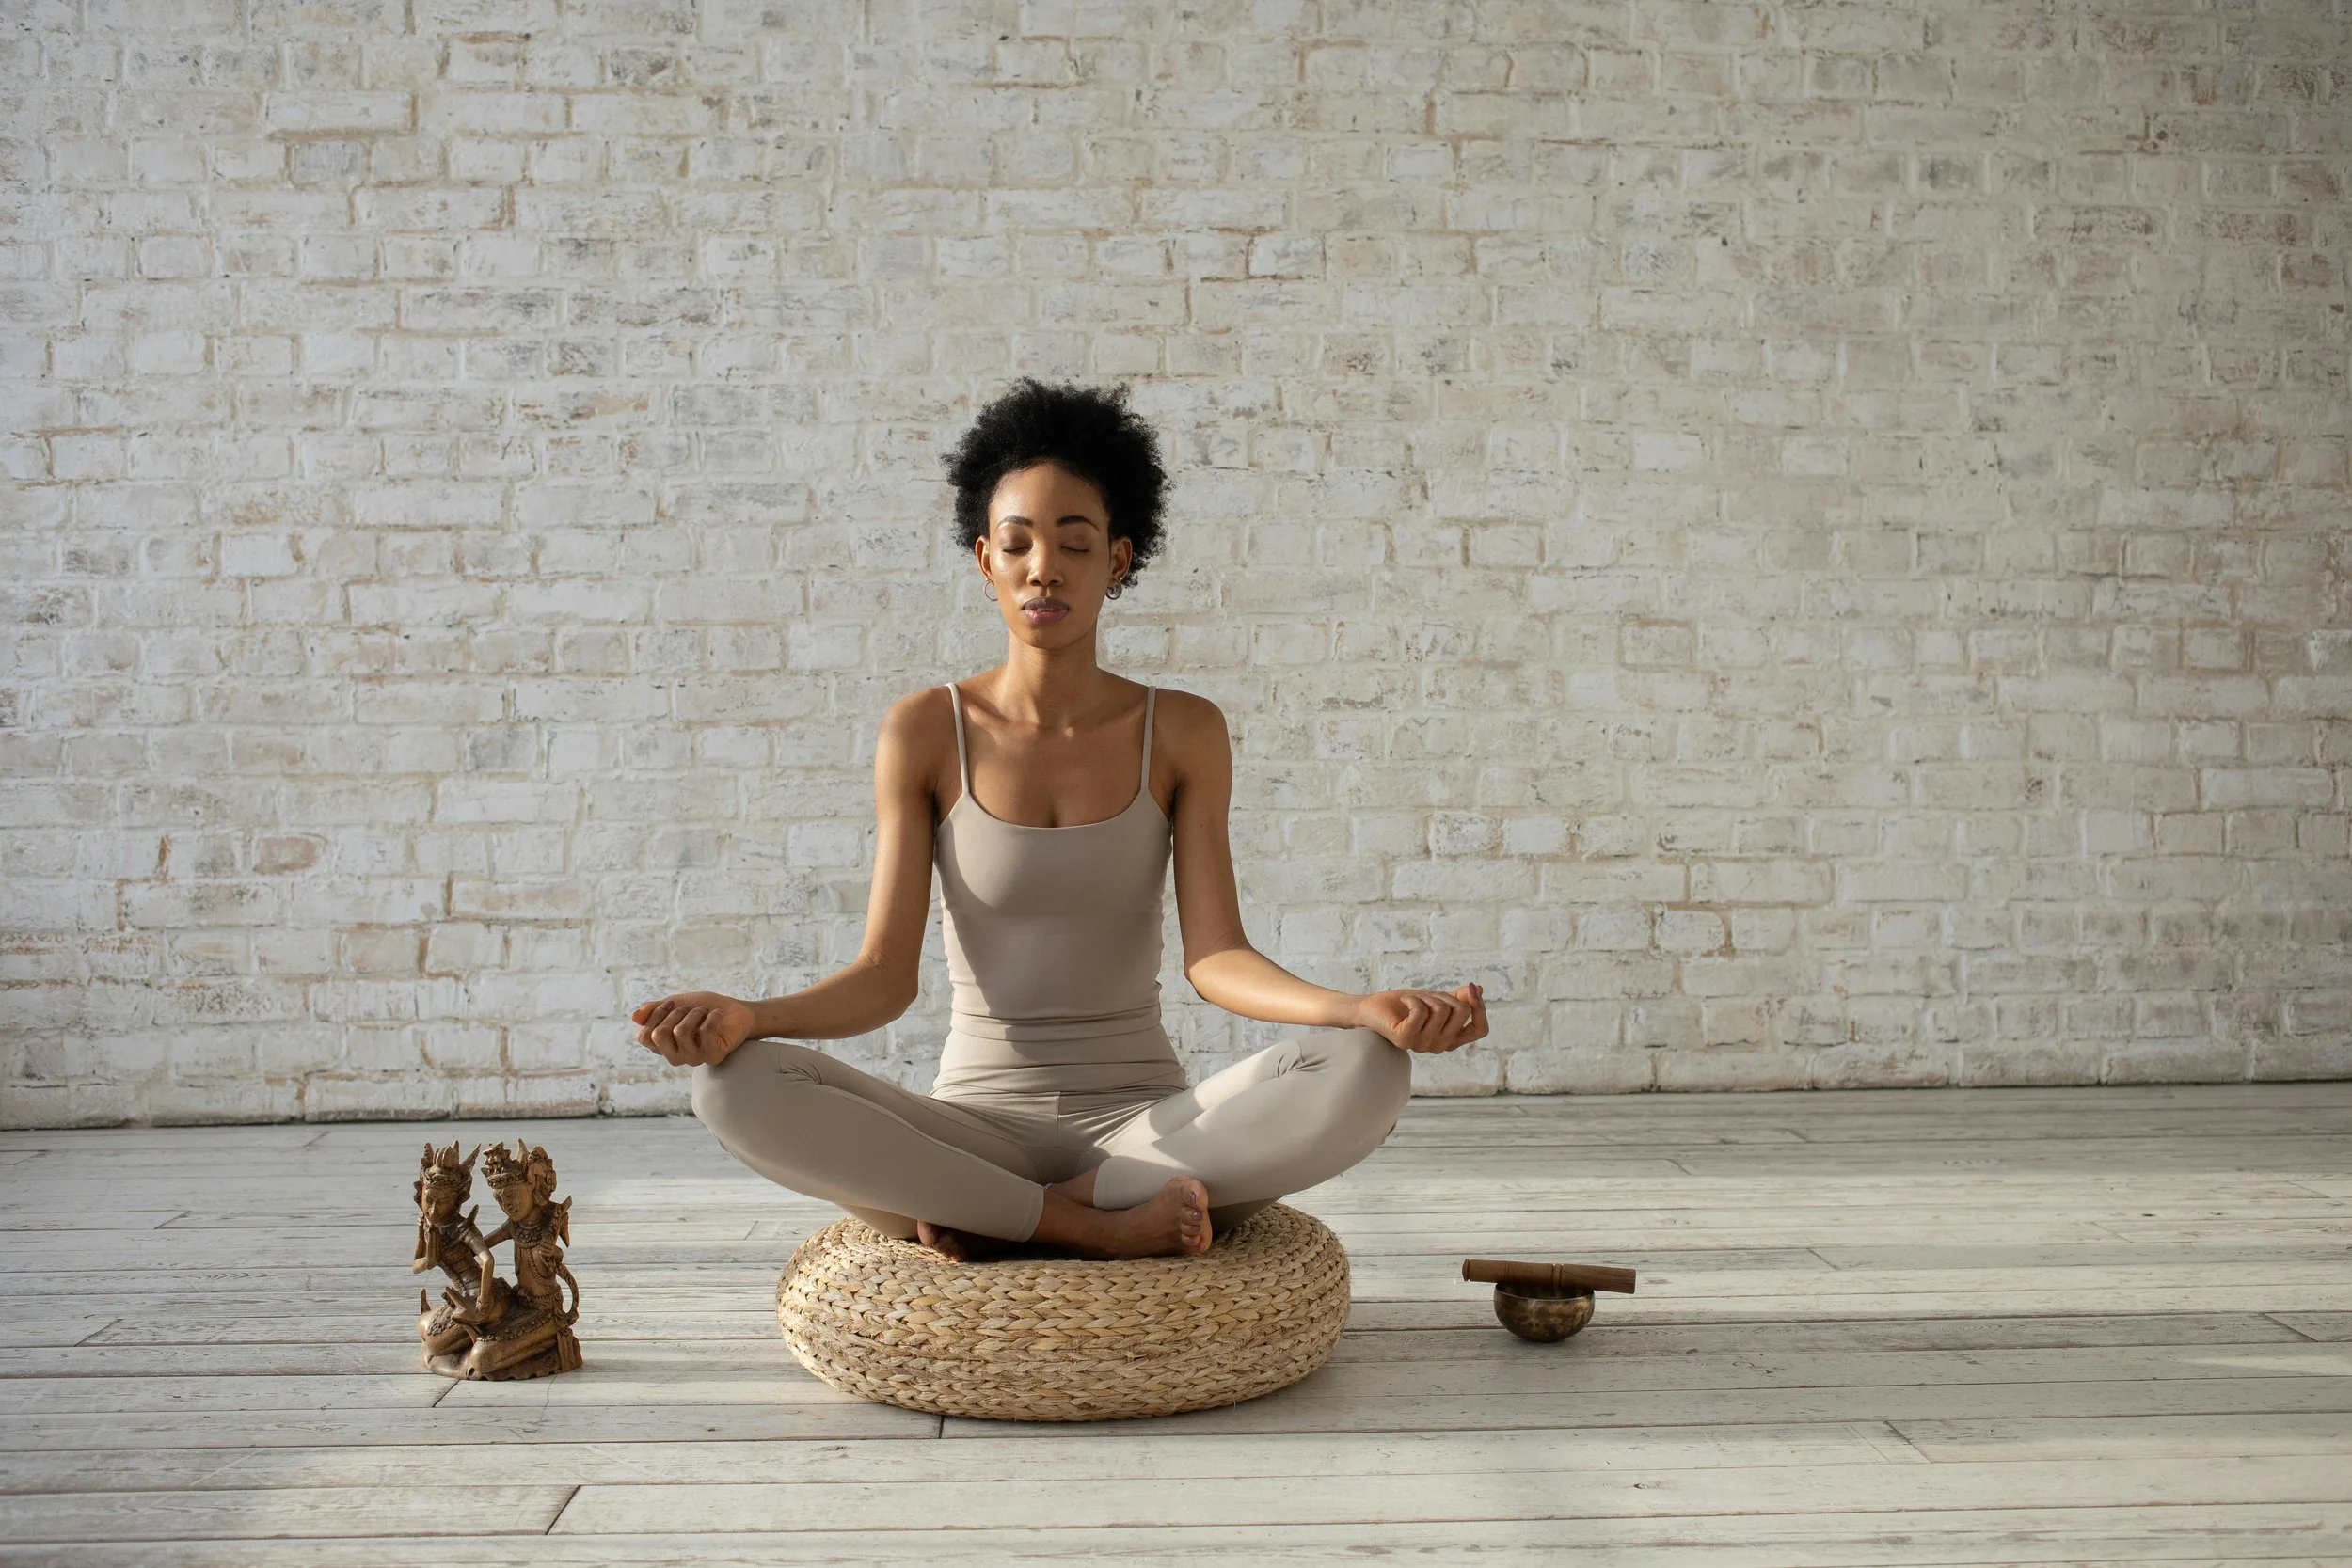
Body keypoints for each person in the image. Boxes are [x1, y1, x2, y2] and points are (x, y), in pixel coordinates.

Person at [631, 377, 1486, 1261]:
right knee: (733, 1086)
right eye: (1018, 544)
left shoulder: (1183, 730)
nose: (1044, 567)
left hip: (1152, 1131)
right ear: (985, 561)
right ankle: (1083, 1222)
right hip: (971, 1130)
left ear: (1116, 560)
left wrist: (1357, 1008)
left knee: (1368, 1064)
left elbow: (1217, 956)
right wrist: (749, 1016)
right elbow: (883, 978)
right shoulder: (924, 730)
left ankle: (1018, 1213)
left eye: (1075, 544)